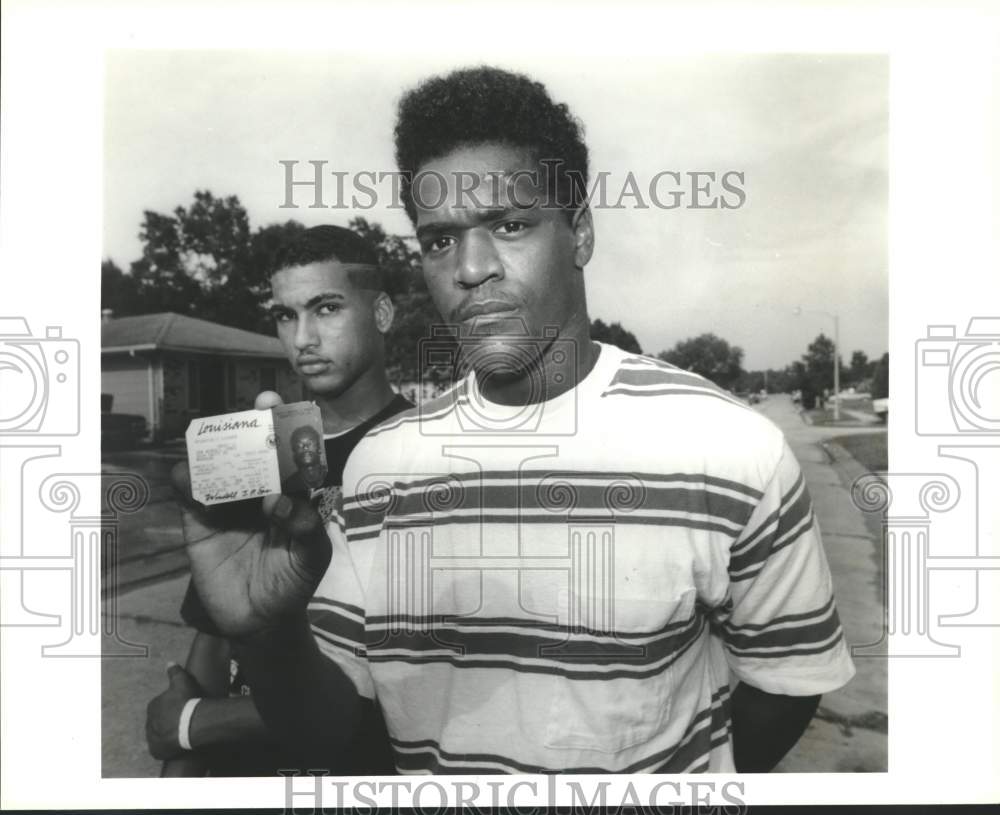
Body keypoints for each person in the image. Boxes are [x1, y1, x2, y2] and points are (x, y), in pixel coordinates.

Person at [175, 66, 855, 774]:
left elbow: (784, 689)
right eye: (439, 239)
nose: (470, 268)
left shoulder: (730, 449)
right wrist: (268, 631)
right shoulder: (382, 465)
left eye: (510, 224)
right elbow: (334, 736)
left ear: (581, 233)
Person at [146, 225, 412, 776]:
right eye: (286, 315)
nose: (303, 338)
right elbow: (216, 632)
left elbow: (406, 699)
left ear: (382, 313)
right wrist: (182, 759)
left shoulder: (426, 460)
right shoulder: (256, 448)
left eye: (327, 308)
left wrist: (195, 722)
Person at [282, 425, 327, 495]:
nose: (305, 447)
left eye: (310, 443)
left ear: (319, 448)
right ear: (294, 453)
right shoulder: (287, 486)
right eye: (299, 445)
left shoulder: (332, 474)